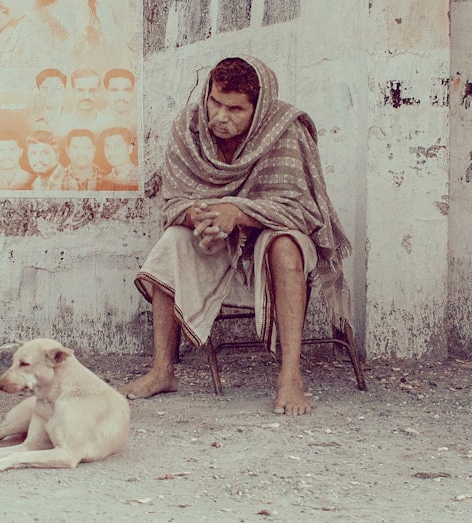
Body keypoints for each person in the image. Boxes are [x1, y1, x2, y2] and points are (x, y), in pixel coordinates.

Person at [120, 56, 353, 417]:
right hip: (214, 237)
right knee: (171, 243)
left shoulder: (285, 130)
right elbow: (173, 202)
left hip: (274, 232)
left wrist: (239, 212)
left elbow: (302, 210)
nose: (220, 117)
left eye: (235, 109)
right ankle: (162, 370)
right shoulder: (190, 126)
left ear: (258, 110)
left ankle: (290, 376)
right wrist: (196, 213)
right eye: (215, 102)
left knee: (286, 246)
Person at [61, 68, 112, 135]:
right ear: (72, 92)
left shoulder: (110, 125)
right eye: (80, 90)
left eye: (92, 90)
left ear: (99, 93)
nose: (86, 97)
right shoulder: (61, 125)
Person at [30, 68, 72, 137]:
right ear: (38, 91)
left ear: (64, 91)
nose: (52, 93)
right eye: (46, 89)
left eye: (57, 88)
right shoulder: (29, 121)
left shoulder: (73, 120)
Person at [98, 126, 139, 191]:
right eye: (107, 147)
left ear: (130, 149)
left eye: (118, 146)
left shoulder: (140, 178)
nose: (112, 152)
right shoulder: (105, 180)